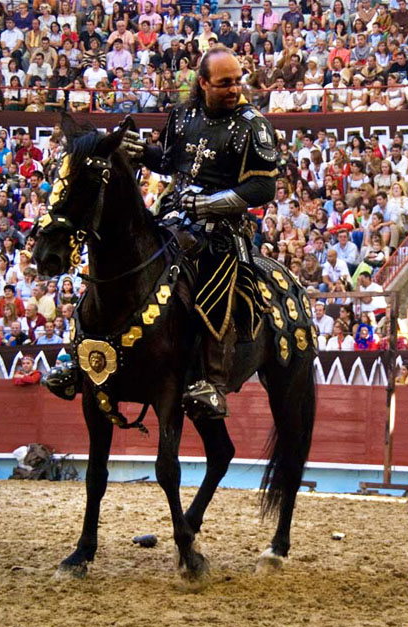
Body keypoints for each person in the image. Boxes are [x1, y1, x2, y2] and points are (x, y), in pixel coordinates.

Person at [121, 46, 278, 419]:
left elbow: (262, 189)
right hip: (174, 220)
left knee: (215, 284)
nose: (235, 89)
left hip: (223, 231)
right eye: (225, 83)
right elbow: (171, 162)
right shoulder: (181, 115)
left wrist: (209, 204)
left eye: (238, 81)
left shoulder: (253, 125)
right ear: (203, 82)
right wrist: (142, 152)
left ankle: (213, 382)